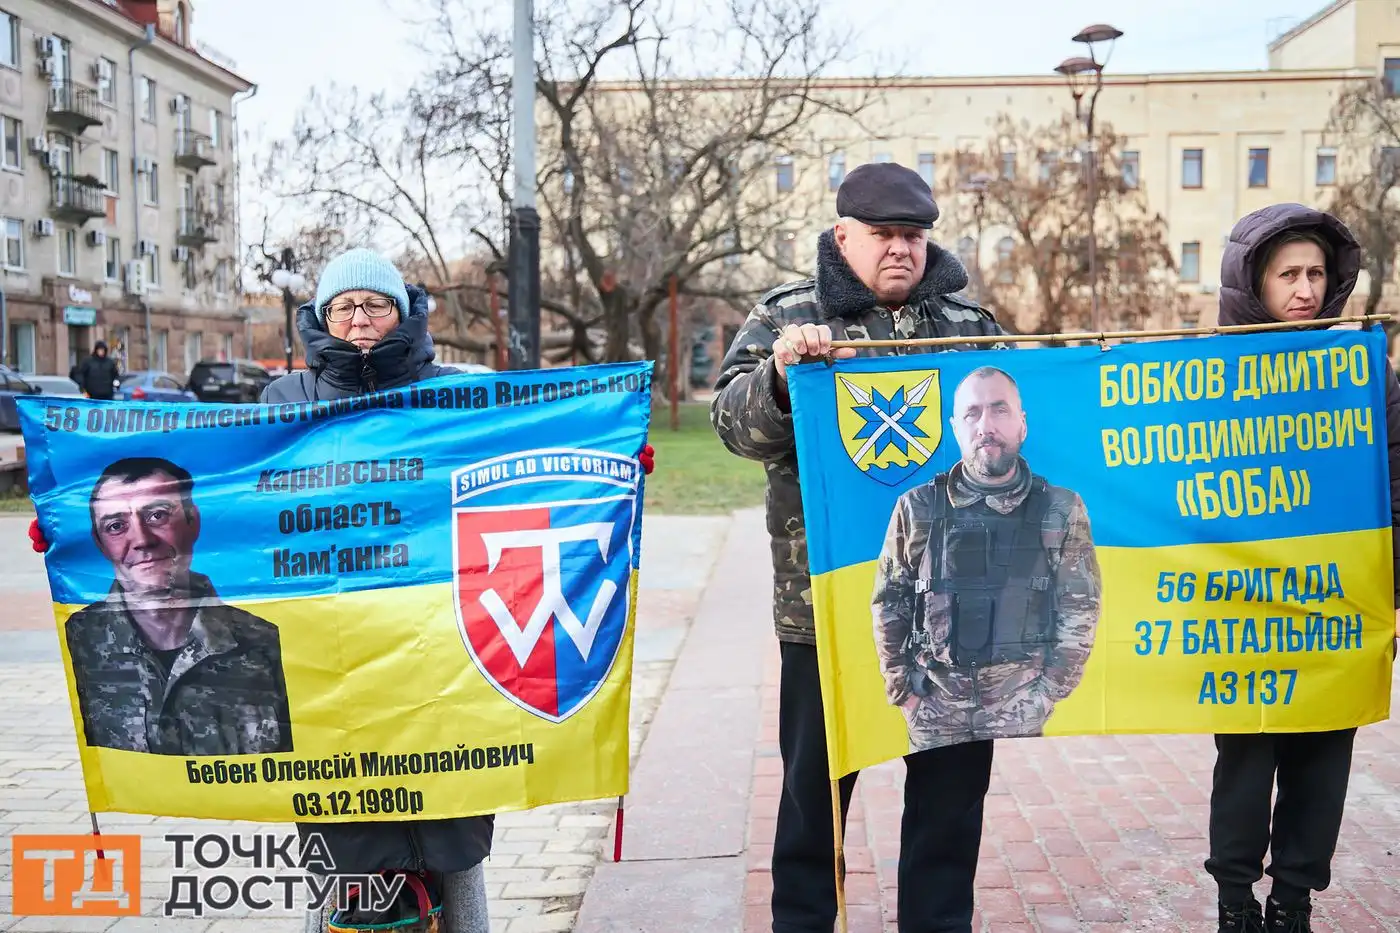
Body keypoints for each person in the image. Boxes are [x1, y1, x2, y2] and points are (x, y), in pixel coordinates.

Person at [710, 161, 1012, 933]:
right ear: (843, 236)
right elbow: (734, 427)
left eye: (914, 235)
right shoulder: (789, 317)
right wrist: (781, 377)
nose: (902, 250)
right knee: (817, 794)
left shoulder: (968, 324)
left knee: (951, 796)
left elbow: (1025, 421)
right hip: (828, 605)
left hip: (956, 606)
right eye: (885, 235)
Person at [1208, 203, 1400, 933]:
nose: (1305, 287)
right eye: (1288, 271)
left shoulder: (1364, 373)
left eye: (1317, 271)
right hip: (1241, 606)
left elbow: (1398, 484)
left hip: (1337, 603)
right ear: (1252, 279)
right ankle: (1234, 901)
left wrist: (1395, 593)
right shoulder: (1202, 376)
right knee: (1247, 760)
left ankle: (1293, 899)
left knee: (1324, 759)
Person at [871, 366, 1100, 750]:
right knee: (935, 808)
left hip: (1020, 705)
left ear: (1022, 424)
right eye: (972, 413)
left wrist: (1047, 693)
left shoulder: (1060, 509)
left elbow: (1081, 606)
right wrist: (903, 693)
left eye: (1000, 410)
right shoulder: (917, 507)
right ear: (955, 427)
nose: (986, 425)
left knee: (1021, 806)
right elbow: (889, 602)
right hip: (934, 705)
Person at [65, 456, 293, 756]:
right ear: (99, 542)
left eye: (157, 515)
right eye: (116, 525)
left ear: (192, 520)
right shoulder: (79, 640)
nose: (142, 540)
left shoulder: (264, 642)